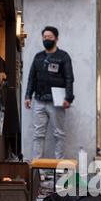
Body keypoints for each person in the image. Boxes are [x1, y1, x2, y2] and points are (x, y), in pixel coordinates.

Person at [25, 26, 74, 159]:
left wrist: (68, 98)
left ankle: (59, 167)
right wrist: (28, 96)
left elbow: (69, 78)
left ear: (56, 39)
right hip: (39, 101)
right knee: (38, 134)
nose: (47, 39)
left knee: (59, 134)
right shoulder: (38, 57)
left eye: (50, 37)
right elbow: (31, 78)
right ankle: (37, 169)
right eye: (45, 37)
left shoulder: (63, 57)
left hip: (57, 102)